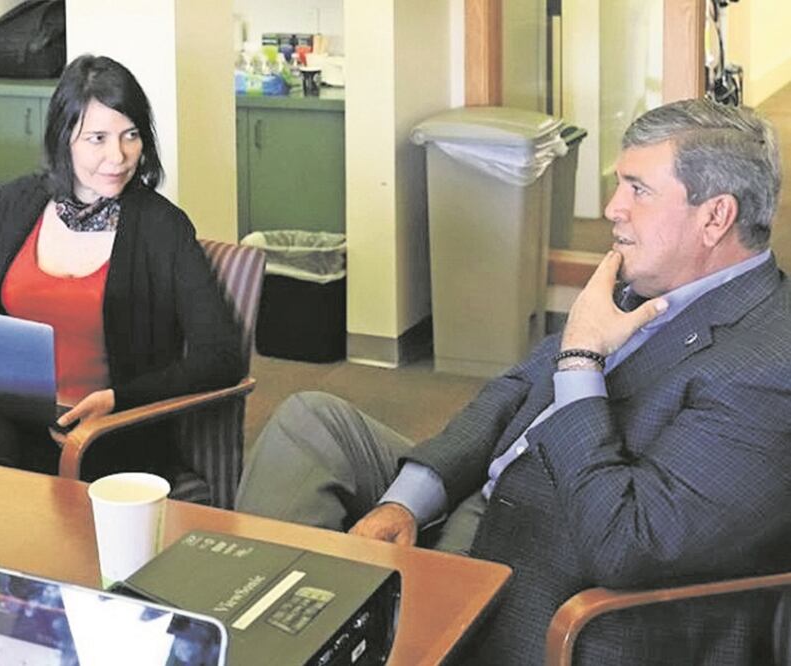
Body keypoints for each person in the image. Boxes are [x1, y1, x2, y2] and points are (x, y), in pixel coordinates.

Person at [236, 98, 789, 665]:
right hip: (481, 491)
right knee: (311, 422)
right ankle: (248, 632)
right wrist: (408, 501)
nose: (612, 208)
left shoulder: (769, 364)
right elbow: (511, 392)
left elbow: (629, 544)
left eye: (637, 189)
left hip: (540, 561)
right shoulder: (645, 280)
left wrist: (579, 362)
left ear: (715, 217)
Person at [0, 55, 242, 483]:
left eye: (130, 136)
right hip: (8, 415)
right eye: (97, 138)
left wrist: (117, 399)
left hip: (103, 432)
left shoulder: (162, 227)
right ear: (65, 138)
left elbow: (222, 356)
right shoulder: (16, 202)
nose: (117, 156)